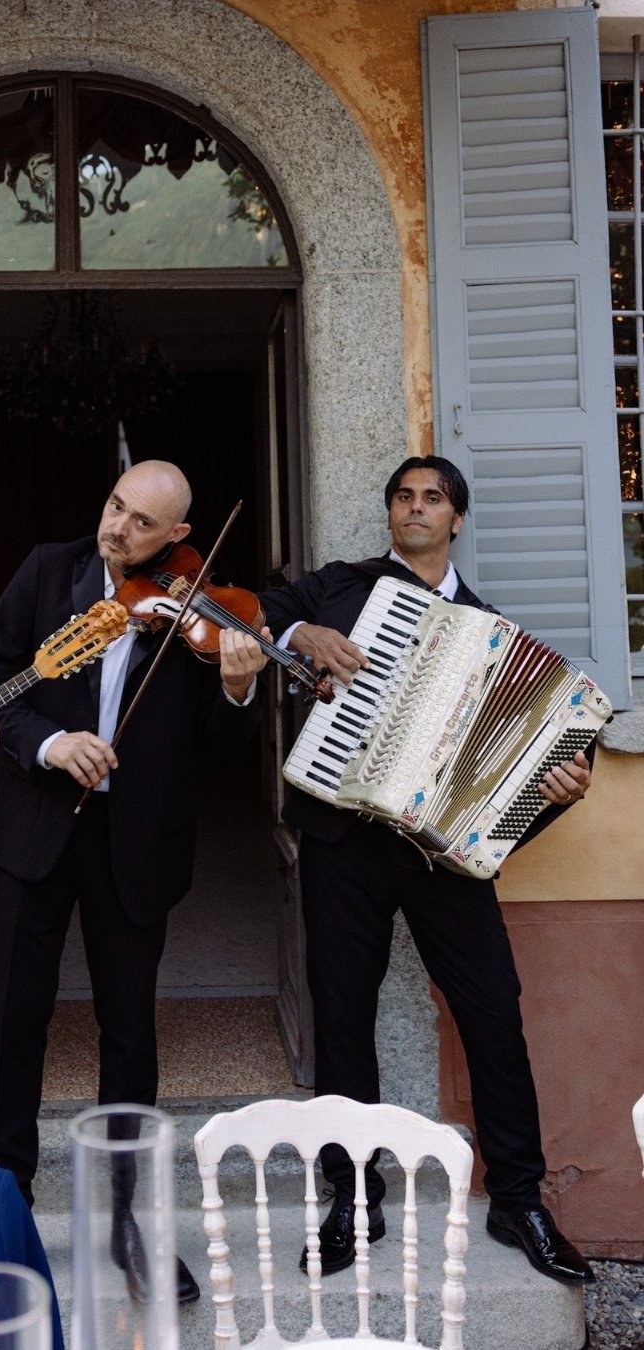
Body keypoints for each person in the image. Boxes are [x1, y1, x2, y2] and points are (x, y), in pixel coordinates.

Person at [259, 455, 595, 1286]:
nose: (417, 508)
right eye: (404, 497)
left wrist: (563, 785)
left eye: (433, 498)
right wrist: (297, 635)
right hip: (343, 841)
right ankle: (353, 1197)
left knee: (493, 1013)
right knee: (342, 1017)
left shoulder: (494, 636)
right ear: (391, 514)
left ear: (456, 520)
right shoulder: (337, 588)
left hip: (443, 860)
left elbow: (546, 766)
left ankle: (518, 1199)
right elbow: (252, 616)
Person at [0, 459, 268, 1303]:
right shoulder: (46, 571)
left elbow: (221, 753)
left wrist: (237, 689)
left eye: (141, 523)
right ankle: (1, 1212)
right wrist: (51, 746)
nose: (118, 529)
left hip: (137, 844)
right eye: (115, 508)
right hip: (34, 830)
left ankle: (132, 1229)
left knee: (130, 1037)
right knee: (18, 1018)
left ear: (178, 539)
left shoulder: (194, 612)